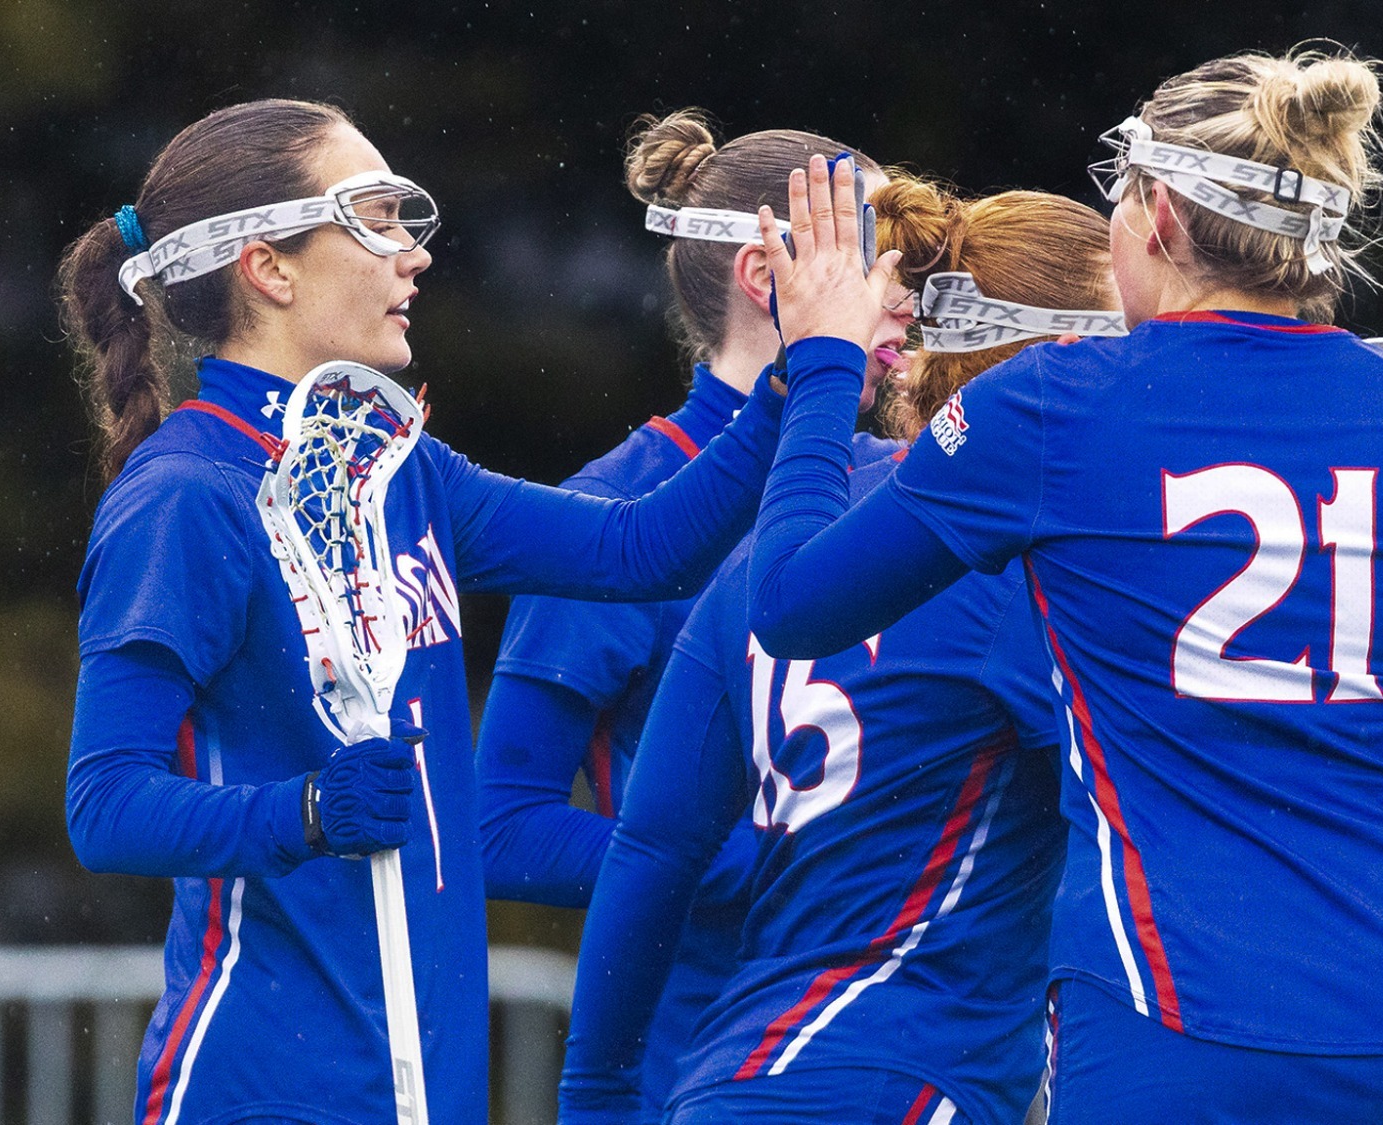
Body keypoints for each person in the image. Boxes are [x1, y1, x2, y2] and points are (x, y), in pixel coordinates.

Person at [742, 48, 1383, 1124]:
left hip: (1172, 1020)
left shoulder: (1047, 406)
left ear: (1156, 215)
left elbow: (792, 603)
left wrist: (823, 358)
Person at [58, 98, 794, 1125]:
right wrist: (301, 813)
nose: (414, 253)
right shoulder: (183, 494)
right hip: (265, 1088)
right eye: (375, 218)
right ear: (268, 268)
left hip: (426, 1086)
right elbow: (104, 806)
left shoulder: (398, 467)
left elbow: (646, 548)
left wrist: (799, 371)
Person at [559, 180, 1124, 1125]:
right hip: (897, 1082)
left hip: (726, 1084)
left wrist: (596, 1095)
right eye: (1136, 343)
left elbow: (652, 852)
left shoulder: (778, 542)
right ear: (1068, 354)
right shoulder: (1029, 574)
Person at [476, 109, 913, 1106]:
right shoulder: (613, 513)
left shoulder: (902, 488)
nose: (904, 300)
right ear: (766, 277)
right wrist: (756, 866)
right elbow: (499, 825)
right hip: (689, 1062)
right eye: (875, 258)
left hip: (877, 1053)